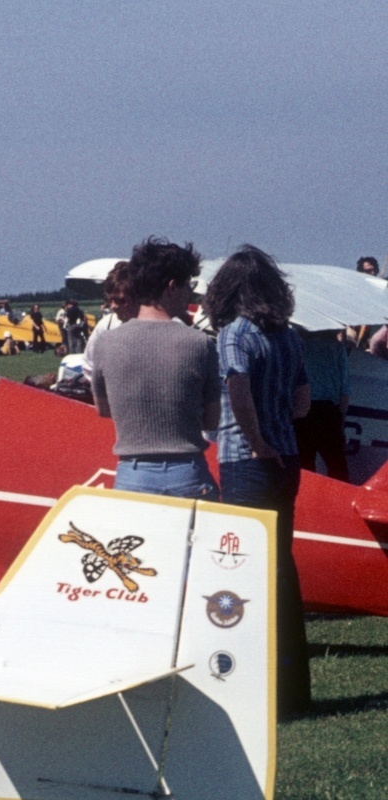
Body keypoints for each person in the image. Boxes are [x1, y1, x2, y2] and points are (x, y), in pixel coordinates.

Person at [204, 245, 312, 716]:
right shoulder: (288, 335)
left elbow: (236, 389)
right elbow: (304, 400)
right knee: (281, 567)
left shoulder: (234, 334)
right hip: (287, 459)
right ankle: (291, 689)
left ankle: (252, 684)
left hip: (246, 460)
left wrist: (256, 438)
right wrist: (280, 427)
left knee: (245, 569)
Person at [88, 237, 221, 499]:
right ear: (172, 287)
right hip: (188, 474)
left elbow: (104, 409)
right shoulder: (200, 344)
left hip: (132, 475)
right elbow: (211, 419)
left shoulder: (106, 342)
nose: (189, 293)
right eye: (188, 285)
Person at [298, 329, 351, 481]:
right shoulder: (337, 348)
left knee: (305, 467)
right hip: (328, 413)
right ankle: (339, 501)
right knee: (338, 468)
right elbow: (345, 392)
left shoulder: (298, 346)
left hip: (303, 410)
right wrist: (340, 423)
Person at [81, 261, 133, 383]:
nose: (113, 306)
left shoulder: (153, 324)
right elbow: (89, 364)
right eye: (109, 300)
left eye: (120, 300)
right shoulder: (106, 324)